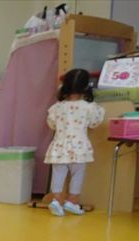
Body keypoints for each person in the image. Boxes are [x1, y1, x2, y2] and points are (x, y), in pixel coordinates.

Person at [45, 68, 105, 216]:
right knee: (77, 175)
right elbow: (94, 123)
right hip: (79, 147)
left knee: (58, 175)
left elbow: (51, 124)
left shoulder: (56, 107)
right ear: (86, 86)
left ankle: (56, 201)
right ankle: (72, 201)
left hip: (59, 146)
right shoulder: (89, 107)